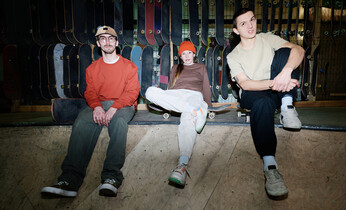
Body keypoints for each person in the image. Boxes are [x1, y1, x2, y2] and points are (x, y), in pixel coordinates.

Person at [41, 26, 140, 197]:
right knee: (81, 121)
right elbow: (90, 92)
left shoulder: (129, 67)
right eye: (103, 39)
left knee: (119, 122)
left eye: (111, 38)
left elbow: (132, 93)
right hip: (100, 103)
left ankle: (111, 177)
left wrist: (115, 108)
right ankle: (70, 180)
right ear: (98, 43)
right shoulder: (92, 68)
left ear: (116, 42)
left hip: (123, 104)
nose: (107, 42)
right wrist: (97, 107)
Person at [227, 9, 305, 197]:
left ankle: (287, 107)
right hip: (253, 93)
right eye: (243, 23)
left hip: (278, 90)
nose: (250, 25)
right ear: (236, 30)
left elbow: (299, 50)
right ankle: (270, 167)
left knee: (287, 51)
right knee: (262, 103)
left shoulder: (267, 38)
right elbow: (245, 83)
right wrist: (276, 82)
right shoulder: (233, 56)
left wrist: (286, 73)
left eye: (252, 20)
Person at [145, 41, 212, 187]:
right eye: (183, 53)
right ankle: (197, 111)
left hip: (194, 95)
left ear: (194, 54)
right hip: (177, 96)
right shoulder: (176, 68)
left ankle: (182, 166)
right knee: (149, 92)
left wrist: (209, 105)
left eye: (189, 53)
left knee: (187, 120)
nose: (186, 56)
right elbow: (170, 88)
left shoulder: (201, 67)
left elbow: (206, 87)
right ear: (180, 56)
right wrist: (168, 105)